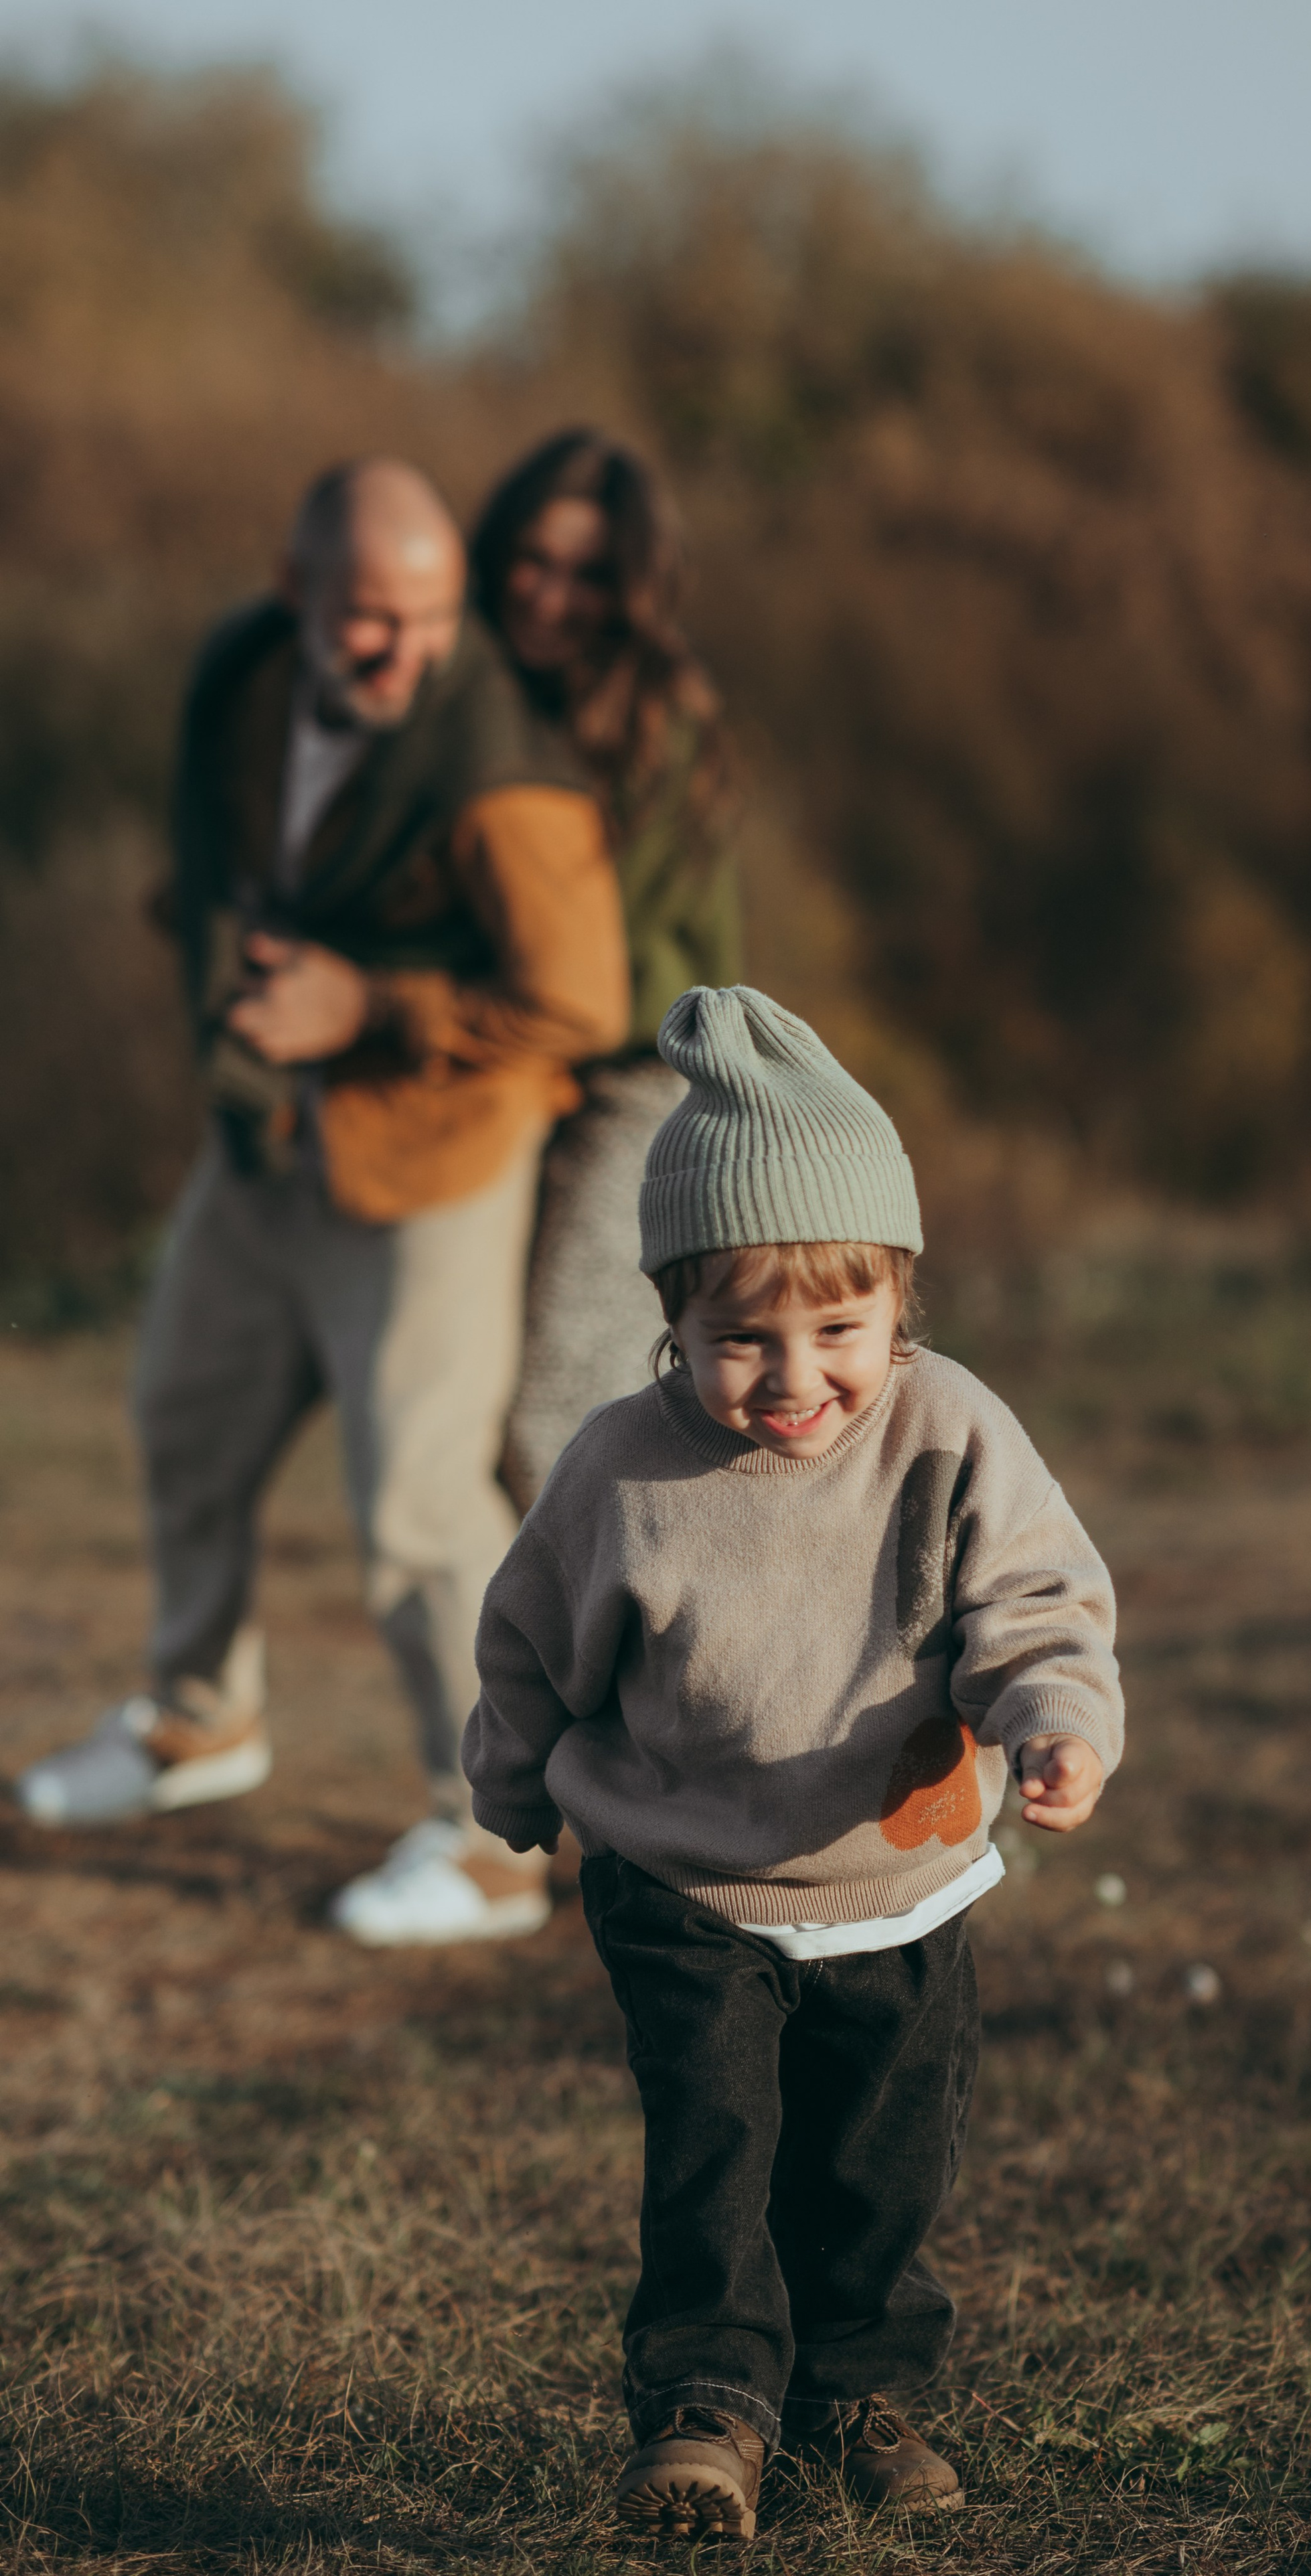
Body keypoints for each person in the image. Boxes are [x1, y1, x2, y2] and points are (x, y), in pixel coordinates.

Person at [463, 985, 1125, 2540]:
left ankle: (859, 2390)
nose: (792, 1374)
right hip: (682, 1879)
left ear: (901, 1303)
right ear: (671, 1321)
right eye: (737, 1336)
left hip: (895, 1883)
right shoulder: (621, 1464)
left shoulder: (948, 1428)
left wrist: (1056, 1717)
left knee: (877, 2164)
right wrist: (505, 1778)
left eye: (838, 1329)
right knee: (714, 2154)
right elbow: (528, 1636)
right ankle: (705, 2410)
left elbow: (1031, 1593)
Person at [16, 458, 631, 1949]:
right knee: (180, 1412)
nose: (401, 654)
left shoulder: (504, 768)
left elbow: (581, 996)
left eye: (428, 621)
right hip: (264, 1139)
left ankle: (497, 1837)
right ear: (294, 595)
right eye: (367, 620)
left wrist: (368, 999)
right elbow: (243, 842)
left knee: (418, 1501)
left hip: (432, 1161)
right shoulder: (239, 678)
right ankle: (198, 1717)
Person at [466, 429, 743, 1505]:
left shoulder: (660, 721)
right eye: (531, 560)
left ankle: (617, 1662)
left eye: (587, 574)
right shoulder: (474, 702)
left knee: (559, 1413)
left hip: (640, 1076)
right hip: (517, 1069)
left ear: (633, 588)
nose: (549, 594)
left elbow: (596, 971)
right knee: (465, 1411)